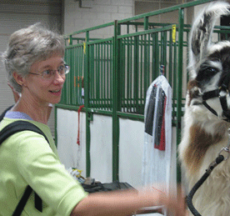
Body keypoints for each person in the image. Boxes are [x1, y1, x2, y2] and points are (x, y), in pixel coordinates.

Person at [0, 23, 186, 216]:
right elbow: (78, 208)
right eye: (47, 72)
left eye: (61, 68)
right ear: (20, 78)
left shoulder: (13, 119)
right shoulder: (26, 142)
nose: (60, 79)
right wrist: (159, 198)